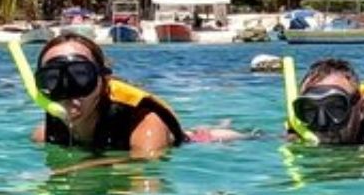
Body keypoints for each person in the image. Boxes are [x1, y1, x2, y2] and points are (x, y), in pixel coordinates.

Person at [29, 33, 242, 156]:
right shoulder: (44, 134)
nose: (69, 90)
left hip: (195, 143)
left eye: (81, 76)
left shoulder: (146, 125)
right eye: (53, 79)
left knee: (218, 137)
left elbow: (147, 185)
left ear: (104, 81)